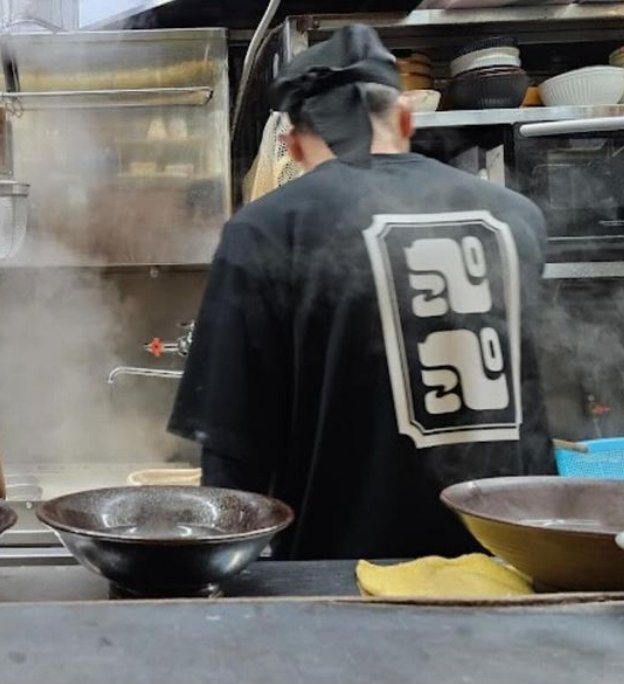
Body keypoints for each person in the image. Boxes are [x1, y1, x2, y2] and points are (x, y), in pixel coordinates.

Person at [168, 24, 554, 560]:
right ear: (403, 117)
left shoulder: (268, 228)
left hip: (342, 580)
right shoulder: (518, 218)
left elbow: (234, 454)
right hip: (508, 560)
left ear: (295, 145)